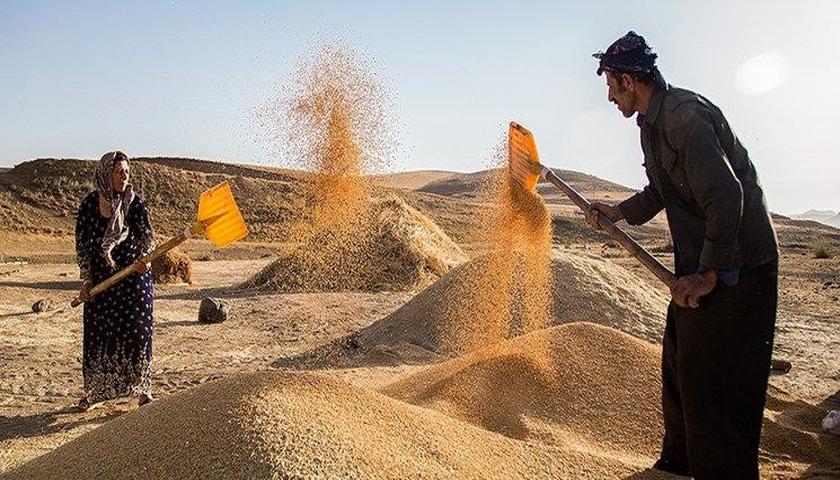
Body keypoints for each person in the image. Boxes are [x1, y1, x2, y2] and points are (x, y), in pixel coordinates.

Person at [586, 32, 779, 479]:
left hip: (740, 269)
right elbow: (663, 189)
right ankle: (679, 464)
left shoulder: (685, 118)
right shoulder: (652, 126)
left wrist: (710, 274)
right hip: (704, 267)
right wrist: (619, 212)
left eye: (611, 85)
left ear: (630, 81)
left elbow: (728, 197)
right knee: (680, 361)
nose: (610, 96)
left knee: (717, 387)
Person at [75, 151, 156, 411]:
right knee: (99, 334)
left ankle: (142, 390)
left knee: (136, 333)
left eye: (127, 171)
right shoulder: (89, 206)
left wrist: (146, 260)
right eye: (119, 171)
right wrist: (86, 281)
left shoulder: (135, 204)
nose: (125, 175)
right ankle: (95, 392)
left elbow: (148, 241)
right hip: (102, 283)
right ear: (105, 173)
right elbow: (83, 249)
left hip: (133, 281)